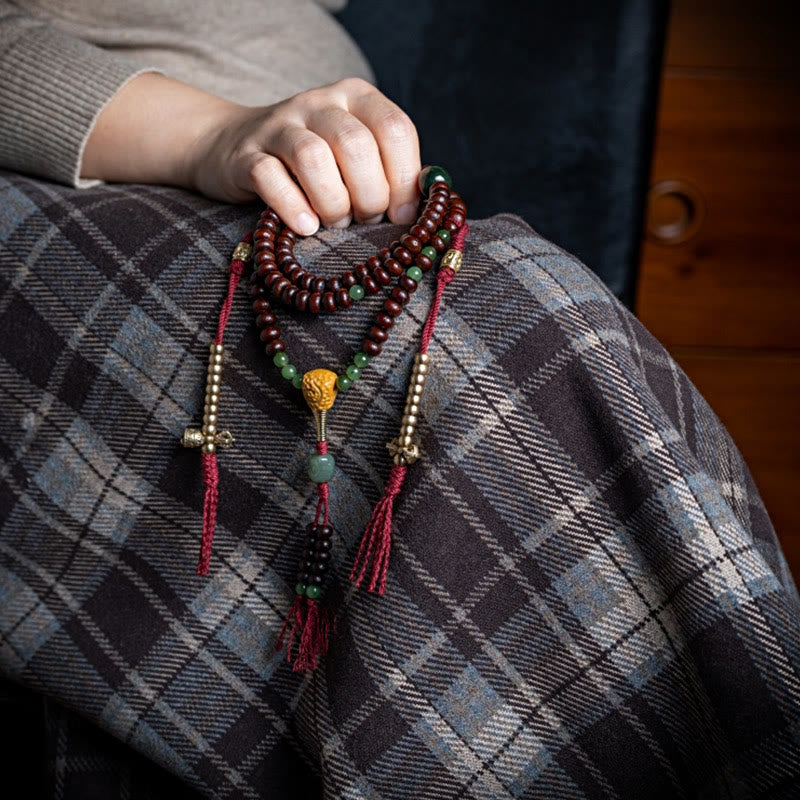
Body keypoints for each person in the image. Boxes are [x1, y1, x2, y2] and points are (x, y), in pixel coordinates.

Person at [1, 2, 799, 799]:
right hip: (82, 174)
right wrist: (216, 133)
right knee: (516, 322)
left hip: (308, 188)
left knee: (526, 320)